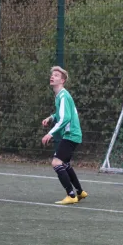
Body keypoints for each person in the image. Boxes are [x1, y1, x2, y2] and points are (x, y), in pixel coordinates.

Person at [41, 66, 88, 205]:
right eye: (52, 74)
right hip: (72, 134)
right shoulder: (60, 96)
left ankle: (71, 195)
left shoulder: (63, 95)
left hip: (70, 135)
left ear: (62, 80)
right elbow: (62, 114)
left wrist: (50, 133)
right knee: (65, 164)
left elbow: (65, 118)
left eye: (56, 75)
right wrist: (50, 117)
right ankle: (80, 192)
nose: (52, 77)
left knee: (56, 162)